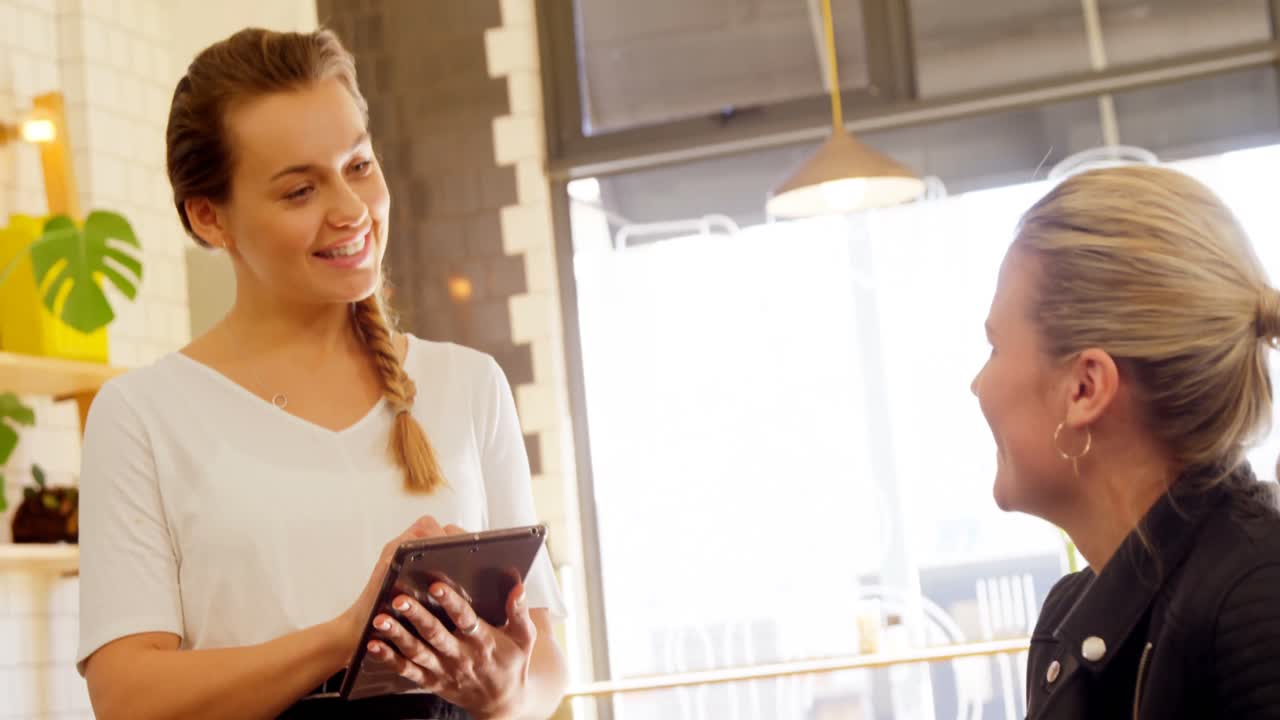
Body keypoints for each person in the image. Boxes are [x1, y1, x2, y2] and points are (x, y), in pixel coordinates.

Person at [74, 28, 569, 720]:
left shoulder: (470, 385)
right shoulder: (142, 415)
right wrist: (345, 637)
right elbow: (127, 697)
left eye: (358, 165)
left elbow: (544, 663)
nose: (351, 210)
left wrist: (505, 690)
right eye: (300, 190)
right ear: (209, 217)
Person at [971, 164, 1280, 718]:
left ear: (1085, 388)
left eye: (995, 348)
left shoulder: (1256, 604)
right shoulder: (1070, 617)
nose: (978, 385)